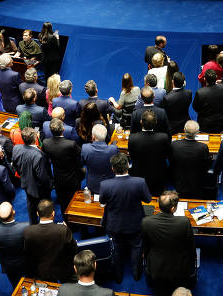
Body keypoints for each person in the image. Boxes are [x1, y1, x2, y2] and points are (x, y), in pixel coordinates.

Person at [100, 153, 152, 282]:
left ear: (113, 168)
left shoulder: (105, 185)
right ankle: (136, 274)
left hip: (114, 224)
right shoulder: (140, 182)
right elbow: (148, 199)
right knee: (136, 248)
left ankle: (118, 277)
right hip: (135, 224)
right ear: (128, 166)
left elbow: (102, 201)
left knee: (116, 249)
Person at [142, 191, 196, 295]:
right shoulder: (184, 222)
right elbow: (191, 245)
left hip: (156, 267)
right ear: (173, 209)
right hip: (179, 268)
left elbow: (146, 246)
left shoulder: (146, 222)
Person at [23, 199, 78, 282]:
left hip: (41, 273)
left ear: (37, 214)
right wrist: (67, 230)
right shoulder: (63, 230)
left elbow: (28, 255)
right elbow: (74, 250)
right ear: (53, 213)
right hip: (62, 270)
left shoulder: (28, 232)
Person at [12, 127, 52, 225]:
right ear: (35, 138)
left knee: (31, 204)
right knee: (44, 206)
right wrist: (50, 186)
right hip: (39, 188)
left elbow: (15, 165)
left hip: (26, 183)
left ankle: (33, 224)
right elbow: (42, 176)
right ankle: (46, 224)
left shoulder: (16, 148)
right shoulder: (39, 155)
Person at [42, 118, 83, 213]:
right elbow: (80, 155)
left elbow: (46, 157)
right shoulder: (71, 144)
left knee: (63, 202)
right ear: (63, 129)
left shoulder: (46, 143)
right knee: (75, 200)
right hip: (73, 177)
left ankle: (66, 221)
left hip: (58, 178)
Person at [128, 110, 171, 195]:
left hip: (138, 174)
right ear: (156, 122)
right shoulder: (164, 137)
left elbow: (132, 157)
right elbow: (167, 154)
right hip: (159, 174)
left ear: (141, 122)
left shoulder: (133, 138)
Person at [0, 202, 28, 288]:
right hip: (25, 262)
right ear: (14, 212)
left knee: (16, 286)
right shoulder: (25, 227)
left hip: (9, 265)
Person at [169, 120, 210, 198]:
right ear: (197, 133)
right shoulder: (203, 147)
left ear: (184, 130)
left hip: (179, 182)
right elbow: (206, 166)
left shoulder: (174, 145)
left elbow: (171, 162)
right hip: (197, 182)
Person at [81, 124, 118, 193]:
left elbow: (82, 163)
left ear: (93, 136)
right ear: (106, 136)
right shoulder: (114, 149)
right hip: (110, 184)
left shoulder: (85, 148)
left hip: (92, 185)